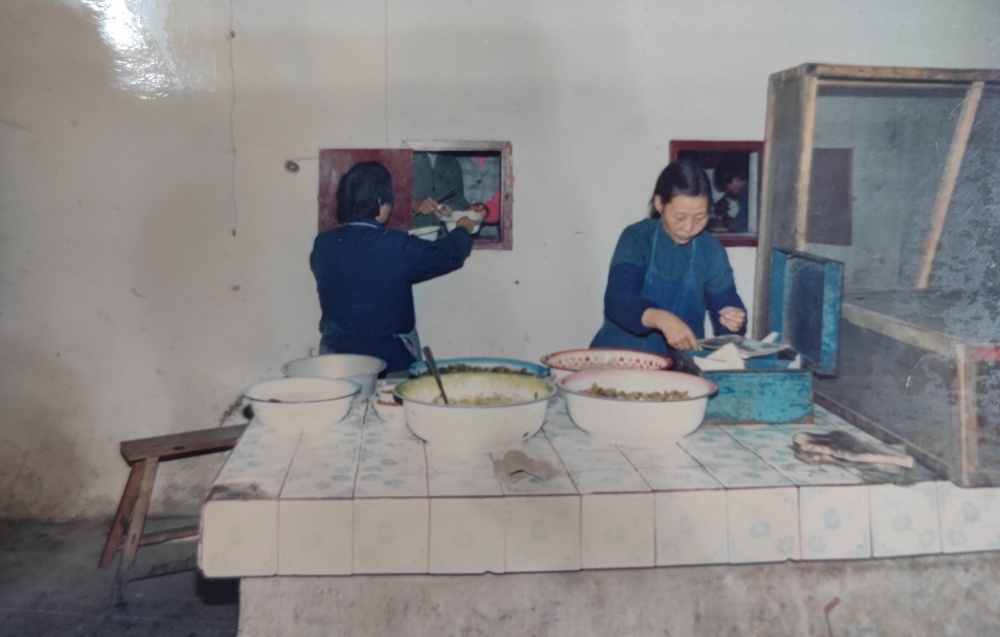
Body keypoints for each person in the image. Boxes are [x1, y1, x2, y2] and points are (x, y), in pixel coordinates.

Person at [311, 161, 478, 373]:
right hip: (388, 359)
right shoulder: (395, 244)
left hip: (334, 357)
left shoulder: (323, 243)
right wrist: (462, 228)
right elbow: (449, 254)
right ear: (382, 203)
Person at [590, 159, 747, 355]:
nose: (689, 228)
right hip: (621, 358)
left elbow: (725, 301)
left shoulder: (710, 249)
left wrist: (733, 319)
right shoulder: (637, 238)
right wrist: (661, 319)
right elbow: (619, 299)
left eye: (700, 217)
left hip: (679, 361)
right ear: (659, 204)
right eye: (680, 217)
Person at [411, 152, 470, 229]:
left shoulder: (451, 162)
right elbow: (395, 201)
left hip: (443, 233)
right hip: (412, 232)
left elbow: (460, 201)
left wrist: (451, 211)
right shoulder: (405, 157)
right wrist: (413, 204)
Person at [456, 154, 502, 239]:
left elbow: (505, 200)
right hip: (456, 234)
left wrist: (487, 211)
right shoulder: (456, 158)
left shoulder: (503, 160)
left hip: (491, 235)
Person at [709, 156, 750, 233]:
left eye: (726, 187)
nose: (728, 191)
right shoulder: (749, 190)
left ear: (736, 179)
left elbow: (740, 227)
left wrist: (731, 226)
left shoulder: (747, 194)